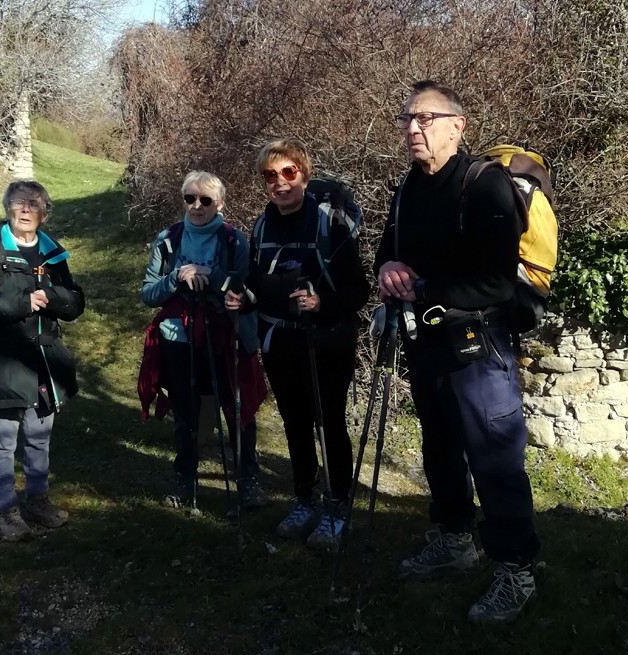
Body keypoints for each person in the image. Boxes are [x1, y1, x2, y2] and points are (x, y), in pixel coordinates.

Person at [374, 80, 540, 624]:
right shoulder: (406, 188)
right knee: (439, 448)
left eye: (425, 118)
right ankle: (453, 540)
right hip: (427, 344)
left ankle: (516, 570)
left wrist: (422, 288)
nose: (413, 129)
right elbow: (386, 250)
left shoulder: (484, 187)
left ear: (457, 125)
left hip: (479, 347)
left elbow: (496, 283)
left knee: (494, 458)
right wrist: (387, 269)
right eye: (407, 119)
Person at [227, 138, 370, 550]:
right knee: (294, 423)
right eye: (270, 175)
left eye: (288, 172)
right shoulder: (262, 225)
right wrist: (244, 297)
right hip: (280, 341)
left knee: (329, 423)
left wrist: (323, 302)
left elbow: (358, 290)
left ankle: (338, 506)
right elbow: (258, 283)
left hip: (326, 340)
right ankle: (304, 499)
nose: (280, 182)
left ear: (303, 174)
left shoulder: (330, 223)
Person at [0, 180, 84, 541]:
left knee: (40, 439)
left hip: (44, 363)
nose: (26, 209)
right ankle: (6, 511)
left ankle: (37, 500)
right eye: (18, 203)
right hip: (3, 362)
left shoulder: (53, 254)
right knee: (3, 440)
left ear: (44, 213)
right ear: (8, 209)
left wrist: (55, 296)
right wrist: (22, 303)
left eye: (34, 204)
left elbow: (75, 303)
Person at [140, 171, 265, 510]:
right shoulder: (167, 239)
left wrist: (214, 277)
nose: (196, 206)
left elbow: (249, 292)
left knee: (238, 410)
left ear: (219, 204)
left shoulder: (234, 241)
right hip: (177, 339)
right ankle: (184, 477)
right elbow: (148, 294)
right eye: (189, 198)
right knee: (186, 413)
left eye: (205, 200)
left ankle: (248, 477)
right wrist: (176, 277)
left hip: (224, 336)